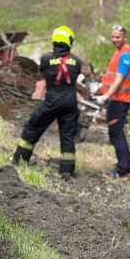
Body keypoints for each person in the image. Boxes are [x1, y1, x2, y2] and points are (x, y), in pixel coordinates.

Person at [12, 25, 84, 178]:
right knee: (67, 135)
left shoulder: (46, 58)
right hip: (71, 101)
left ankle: (20, 160)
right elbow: (75, 75)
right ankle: (66, 171)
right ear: (69, 41)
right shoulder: (77, 61)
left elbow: (44, 72)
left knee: (33, 126)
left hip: (53, 99)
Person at [98, 24, 130, 180]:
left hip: (118, 101)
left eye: (118, 37)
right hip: (116, 100)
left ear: (125, 37)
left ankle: (121, 171)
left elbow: (119, 79)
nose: (114, 39)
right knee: (118, 134)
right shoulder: (119, 52)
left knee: (116, 135)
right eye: (113, 36)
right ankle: (129, 167)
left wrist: (106, 96)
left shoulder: (126, 56)